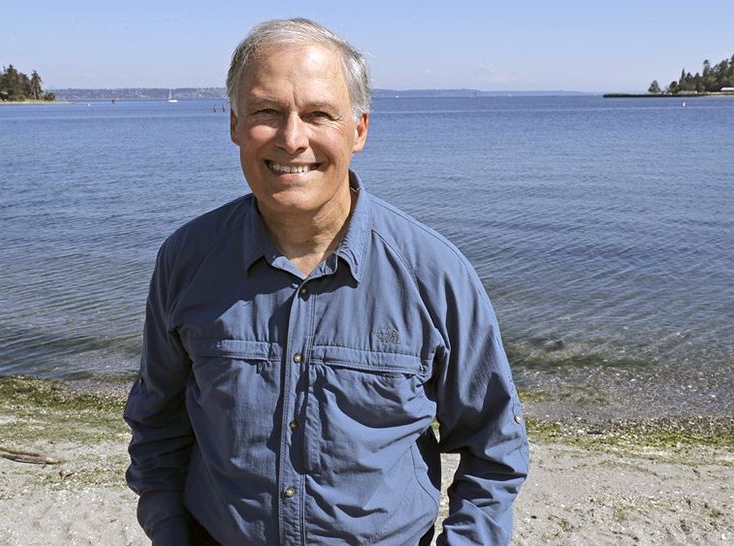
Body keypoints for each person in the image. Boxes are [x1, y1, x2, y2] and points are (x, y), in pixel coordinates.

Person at [124, 17, 529, 545]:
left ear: (358, 130)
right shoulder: (188, 260)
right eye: (266, 112)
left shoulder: (434, 274)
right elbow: (157, 424)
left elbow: (495, 450)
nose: (292, 139)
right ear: (233, 124)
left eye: (318, 114)